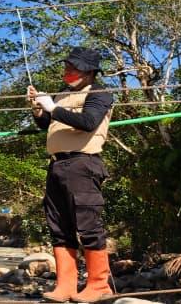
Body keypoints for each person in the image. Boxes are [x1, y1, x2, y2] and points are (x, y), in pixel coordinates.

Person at [27, 46, 115, 303]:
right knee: (59, 227)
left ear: (89, 72)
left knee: (88, 225)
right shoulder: (63, 94)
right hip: (57, 165)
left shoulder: (100, 94)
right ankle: (66, 285)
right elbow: (48, 125)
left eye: (73, 67)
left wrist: (52, 107)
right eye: (67, 66)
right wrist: (39, 109)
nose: (67, 71)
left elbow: (87, 122)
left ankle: (99, 284)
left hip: (82, 164)